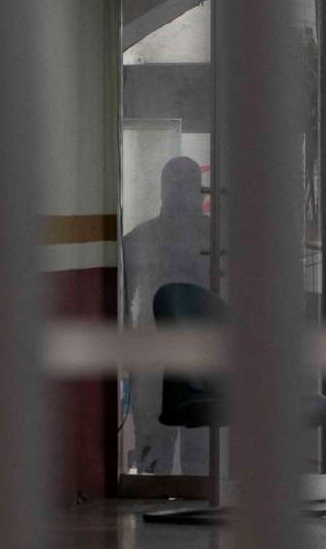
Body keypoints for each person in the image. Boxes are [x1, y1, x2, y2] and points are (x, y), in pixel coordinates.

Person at [121, 156, 210, 474]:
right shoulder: (213, 239)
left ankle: (160, 500)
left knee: (185, 449)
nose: (188, 197)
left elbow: (125, 300)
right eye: (182, 188)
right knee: (176, 448)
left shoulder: (140, 238)